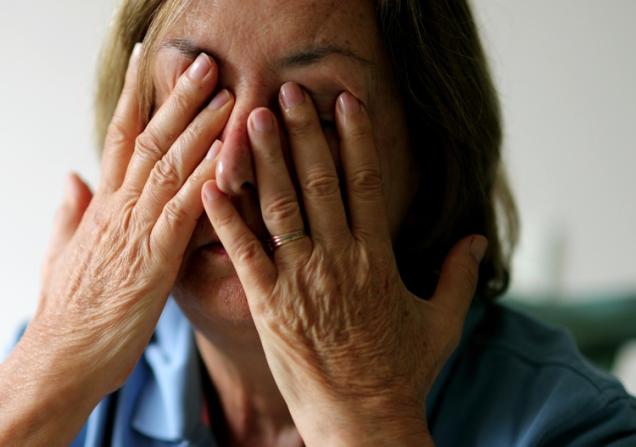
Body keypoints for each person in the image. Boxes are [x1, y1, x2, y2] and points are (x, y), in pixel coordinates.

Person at [1, 0, 635, 445]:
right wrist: (39, 389)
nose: (231, 172)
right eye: (195, 100)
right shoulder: (66, 369)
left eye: (312, 115)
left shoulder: (572, 425)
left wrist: (369, 421)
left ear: (431, 157)